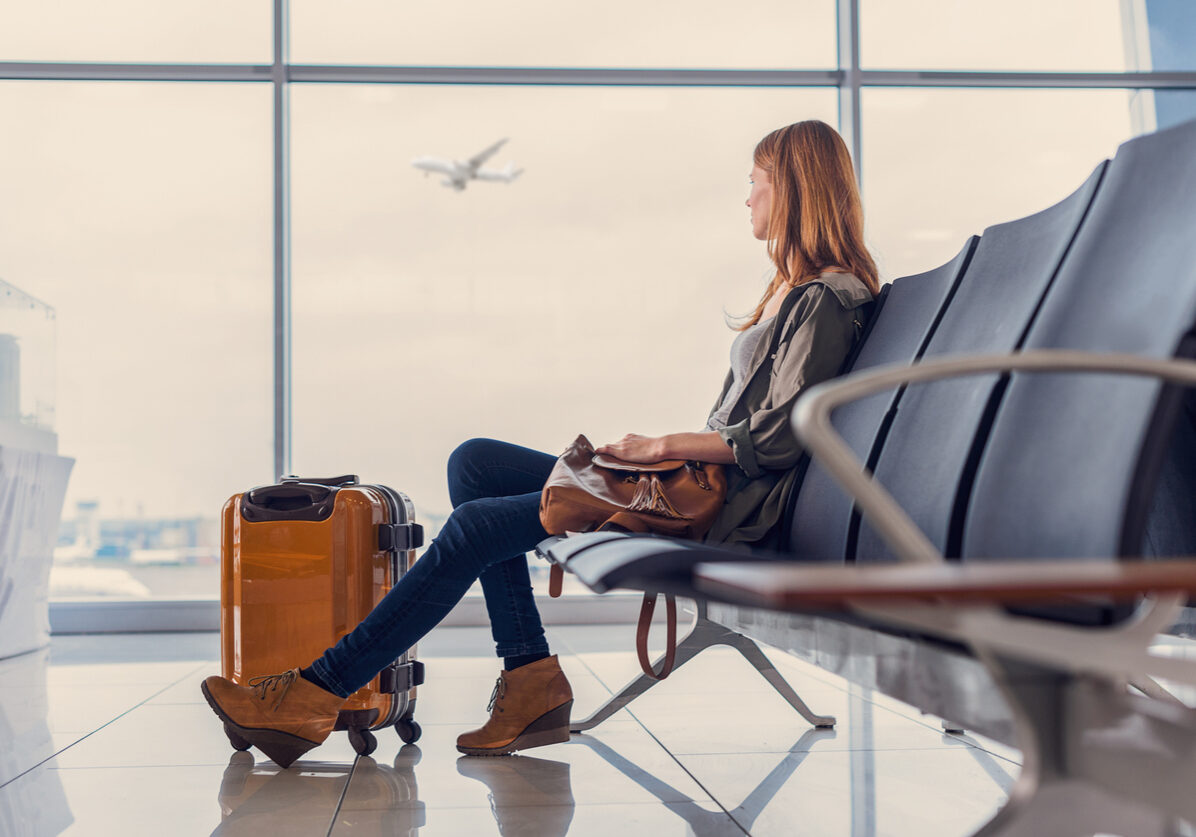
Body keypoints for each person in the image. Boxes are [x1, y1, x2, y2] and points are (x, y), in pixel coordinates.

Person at [201, 119, 880, 767]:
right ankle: (530, 675)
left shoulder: (826, 299)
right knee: (476, 463)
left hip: (720, 510)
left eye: (758, 179)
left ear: (793, 189)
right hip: (693, 487)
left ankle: (315, 693)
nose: (748, 194)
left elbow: (778, 439)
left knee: (473, 526)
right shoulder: (795, 292)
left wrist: (654, 447)